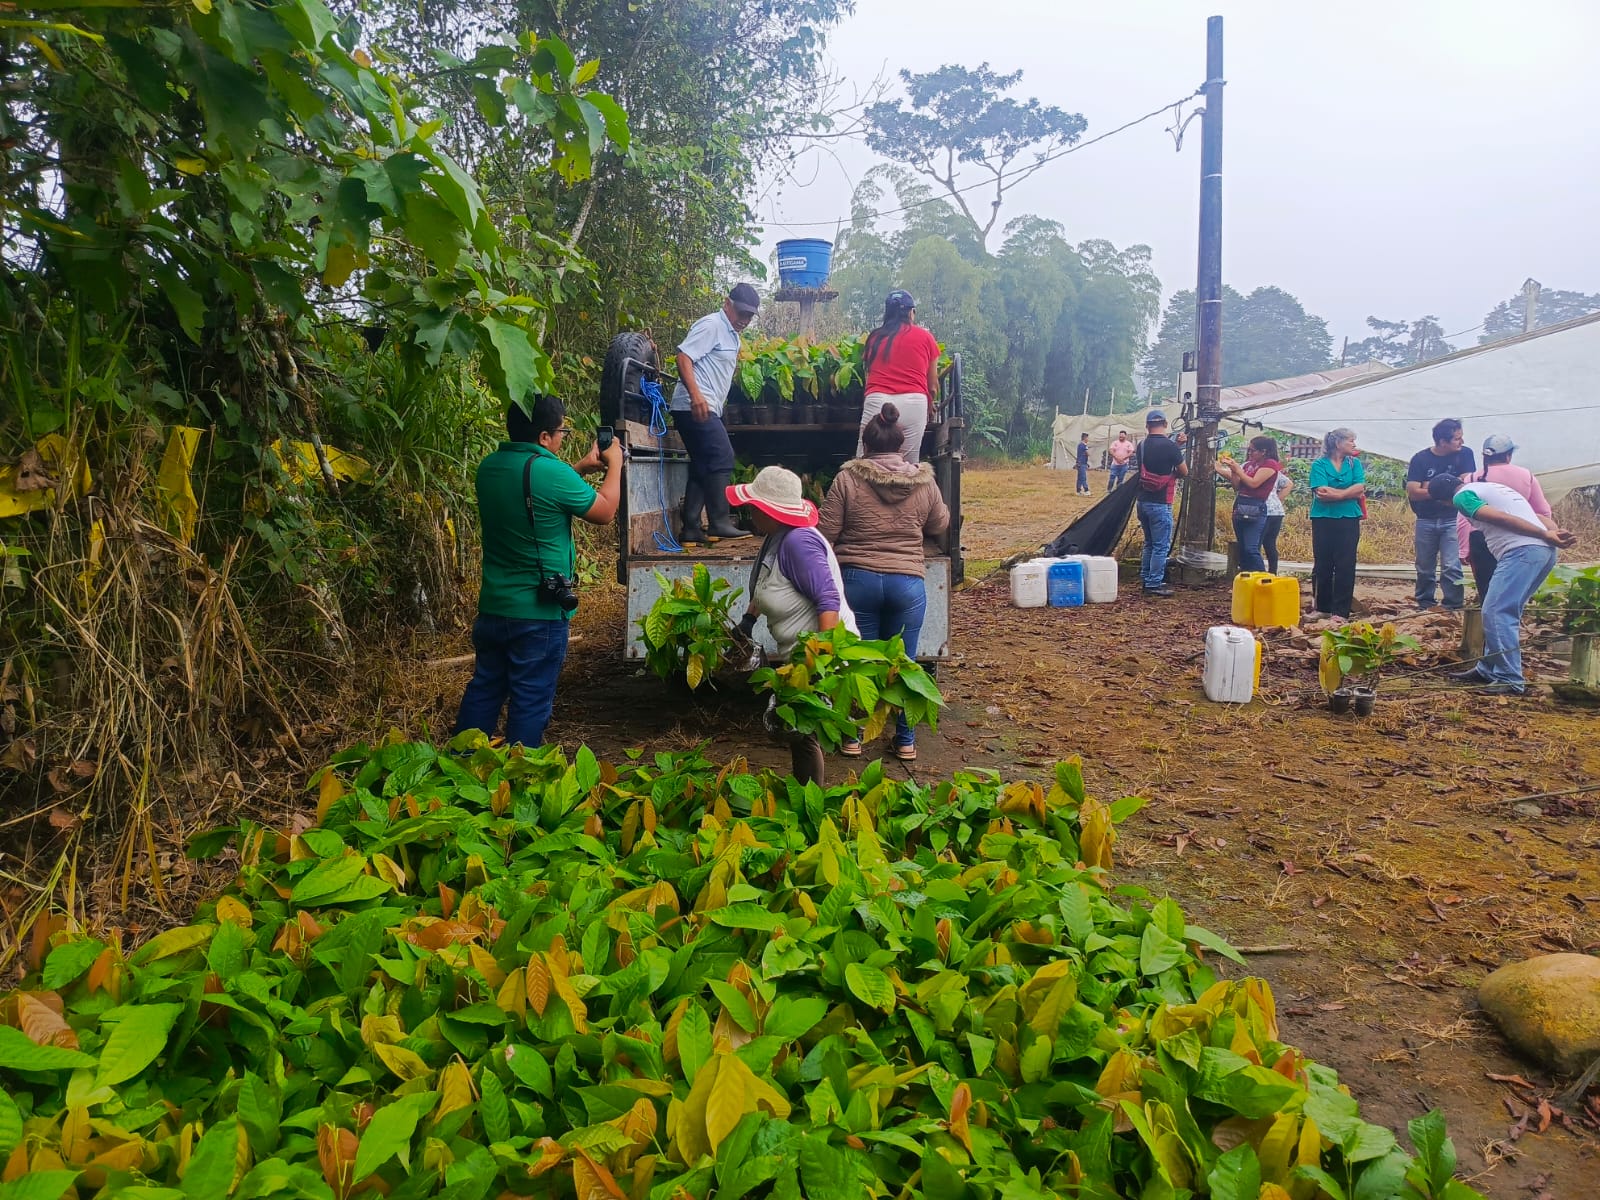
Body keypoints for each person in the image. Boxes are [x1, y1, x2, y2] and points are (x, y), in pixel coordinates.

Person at [455, 397, 622, 747]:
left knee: (485, 688)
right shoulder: (552, 473)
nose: (563, 437)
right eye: (562, 431)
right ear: (544, 437)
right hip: (538, 614)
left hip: (494, 607)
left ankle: (462, 763)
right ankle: (521, 770)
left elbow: (532, 492)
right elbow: (605, 511)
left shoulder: (489, 467)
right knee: (530, 698)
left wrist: (578, 468)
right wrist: (615, 463)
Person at [818, 403, 950, 762]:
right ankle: (905, 740)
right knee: (904, 663)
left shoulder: (847, 479)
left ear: (865, 445)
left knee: (859, 662)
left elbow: (826, 531)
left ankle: (853, 737)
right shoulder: (924, 481)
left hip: (857, 581)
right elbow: (939, 524)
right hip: (907, 582)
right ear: (902, 445)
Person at [728, 466, 858, 784]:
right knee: (799, 735)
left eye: (754, 506)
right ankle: (807, 798)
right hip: (798, 655)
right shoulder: (777, 537)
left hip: (818, 653)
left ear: (768, 510)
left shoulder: (799, 543)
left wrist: (819, 662)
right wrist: (748, 620)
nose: (749, 511)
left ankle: (809, 804)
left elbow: (828, 600)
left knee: (804, 737)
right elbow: (768, 583)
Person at [1430, 473, 1576, 695]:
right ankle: (1489, 668)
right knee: (1505, 610)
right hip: (1542, 552)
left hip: (1521, 551)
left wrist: (1544, 534)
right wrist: (1550, 532)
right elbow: (1536, 515)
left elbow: (1500, 518)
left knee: (1496, 611)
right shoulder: (1492, 488)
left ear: (1443, 501)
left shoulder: (1462, 497)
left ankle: (1509, 678)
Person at [672, 283, 760, 543]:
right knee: (722, 456)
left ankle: (691, 528)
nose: (744, 320)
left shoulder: (732, 335)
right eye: (741, 313)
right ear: (727, 303)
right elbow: (683, 358)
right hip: (694, 405)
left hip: (706, 405)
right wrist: (696, 396)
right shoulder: (712, 325)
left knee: (703, 464)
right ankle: (719, 522)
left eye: (750, 315)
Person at [1456, 434, 1555, 595]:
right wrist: (1543, 535)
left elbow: (1463, 518)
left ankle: (1489, 611)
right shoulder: (1526, 475)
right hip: (1519, 535)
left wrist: (1463, 548)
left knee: (1487, 588)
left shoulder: (1472, 478)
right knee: (1513, 589)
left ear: (1484, 456)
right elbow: (1542, 511)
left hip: (1481, 538)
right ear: (1508, 455)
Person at [859, 290, 940, 464]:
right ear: (911, 312)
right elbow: (932, 387)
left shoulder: (874, 338)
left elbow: (868, 377)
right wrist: (930, 404)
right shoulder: (926, 337)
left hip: (877, 402)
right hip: (914, 404)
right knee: (908, 468)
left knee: (863, 465)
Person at [1405, 418, 1477, 610]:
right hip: (1425, 519)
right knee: (1424, 565)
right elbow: (1413, 492)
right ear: (1443, 442)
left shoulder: (1465, 454)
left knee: (1451, 565)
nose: (1461, 442)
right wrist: (1447, 487)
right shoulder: (1420, 459)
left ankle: (1453, 604)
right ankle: (1425, 602)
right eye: (1457, 439)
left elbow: (1467, 484)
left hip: (1454, 518)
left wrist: (1430, 487)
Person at [1308, 428, 1366, 619]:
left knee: (1346, 563)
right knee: (1322, 562)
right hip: (1323, 518)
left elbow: (1360, 488)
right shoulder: (1319, 464)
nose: (1354, 444)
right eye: (1350, 440)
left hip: (1349, 517)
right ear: (1337, 443)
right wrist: (1347, 493)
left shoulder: (1355, 463)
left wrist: (1338, 494)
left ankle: (1341, 611)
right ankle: (1322, 608)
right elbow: (1321, 493)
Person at [1133, 410, 1187, 598]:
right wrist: (1178, 448)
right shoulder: (1170, 447)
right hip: (1161, 503)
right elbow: (1184, 471)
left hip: (1143, 501)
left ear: (1147, 426)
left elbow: (1154, 462)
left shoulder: (1141, 445)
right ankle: (1154, 583)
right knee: (1160, 546)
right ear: (1165, 424)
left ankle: (1146, 577)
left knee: (1149, 543)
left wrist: (1176, 446)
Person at [1215, 436, 1282, 574]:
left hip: (1256, 506)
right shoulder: (1248, 465)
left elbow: (1254, 483)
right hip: (1241, 504)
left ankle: (1262, 577)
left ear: (1263, 451)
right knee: (1243, 547)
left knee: (1251, 548)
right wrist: (1234, 471)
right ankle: (1247, 577)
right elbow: (1237, 486)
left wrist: (1238, 470)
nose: (1249, 453)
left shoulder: (1270, 464)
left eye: (1252, 450)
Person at [1262, 469, 1295, 575]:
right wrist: (1276, 499)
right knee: (1270, 543)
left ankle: (1256, 573)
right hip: (1277, 511)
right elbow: (1289, 484)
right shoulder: (1273, 469)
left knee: (1254, 545)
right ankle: (1272, 572)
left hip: (1261, 511)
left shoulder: (1251, 467)